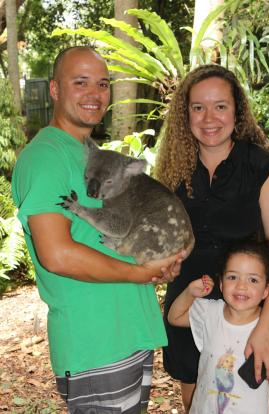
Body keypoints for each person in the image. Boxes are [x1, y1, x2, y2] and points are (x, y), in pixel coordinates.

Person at [12, 46, 185, 414]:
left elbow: (128, 231)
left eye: (103, 84)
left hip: (130, 331)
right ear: (55, 89)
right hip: (97, 340)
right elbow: (56, 254)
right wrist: (138, 272)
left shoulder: (95, 156)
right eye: (81, 82)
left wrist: (160, 263)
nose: (95, 94)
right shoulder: (46, 157)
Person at [154, 64, 269, 413]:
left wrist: (266, 327)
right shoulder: (174, 172)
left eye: (220, 106)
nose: (209, 117)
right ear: (185, 115)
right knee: (200, 404)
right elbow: (161, 246)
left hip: (253, 308)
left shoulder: (262, 168)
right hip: (191, 309)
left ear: (237, 111)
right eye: (198, 107)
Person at [168, 238, 269, 414]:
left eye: (253, 280)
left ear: (266, 290)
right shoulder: (209, 313)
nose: (241, 286)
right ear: (221, 283)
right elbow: (174, 318)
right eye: (232, 277)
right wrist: (189, 292)